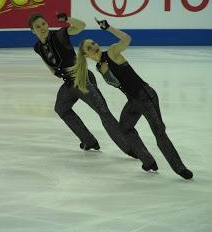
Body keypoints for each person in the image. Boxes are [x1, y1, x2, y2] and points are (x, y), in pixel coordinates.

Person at [28, 13, 158, 172]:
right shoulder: (37, 47)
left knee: (104, 114)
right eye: (37, 27)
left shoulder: (60, 35)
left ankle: (134, 150)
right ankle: (89, 141)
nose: (42, 28)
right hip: (68, 84)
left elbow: (81, 26)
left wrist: (67, 20)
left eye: (43, 24)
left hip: (83, 80)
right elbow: (47, 61)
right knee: (61, 108)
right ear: (32, 31)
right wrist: (55, 72)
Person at [71, 18, 193, 179]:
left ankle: (180, 168)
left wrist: (108, 28)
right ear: (86, 54)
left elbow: (127, 39)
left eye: (93, 43)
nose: (94, 46)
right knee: (125, 129)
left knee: (159, 132)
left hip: (146, 96)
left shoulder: (113, 52)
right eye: (89, 46)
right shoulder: (99, 66)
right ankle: (148, 161)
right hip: (133, 101)